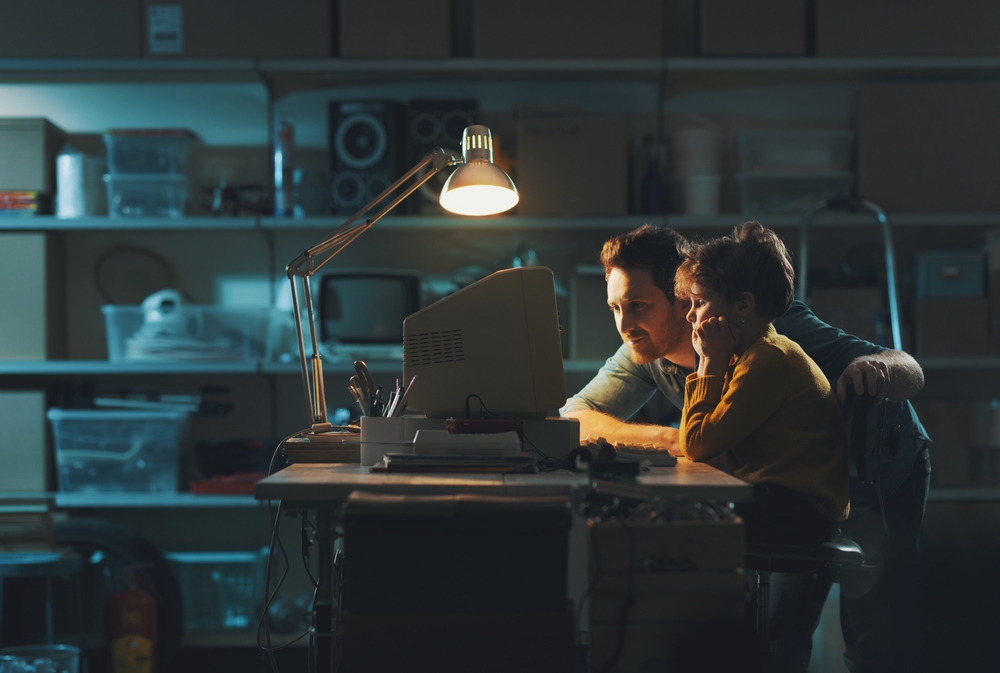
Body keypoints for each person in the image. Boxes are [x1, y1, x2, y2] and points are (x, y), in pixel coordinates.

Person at [561, 224, 931, 673]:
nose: (624, 325)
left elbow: (909, 369)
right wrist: (667, 439)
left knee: (874, 638)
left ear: (684, 301)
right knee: (776, 633)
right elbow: (574, 416)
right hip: (787, 481)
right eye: (616, 307)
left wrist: (871, 368)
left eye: (637, 306)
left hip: (878, 468)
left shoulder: (769, 332)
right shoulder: (646, 349)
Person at [674, 222, 849, 551]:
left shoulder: (767, 360)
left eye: (699, 304)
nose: (690, 317)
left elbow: (696, 444)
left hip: (799, 513)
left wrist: (709, 362)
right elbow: (700, 442)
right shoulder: (747, 356)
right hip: (782, 504)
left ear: (743, 305)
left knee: (678, 521)